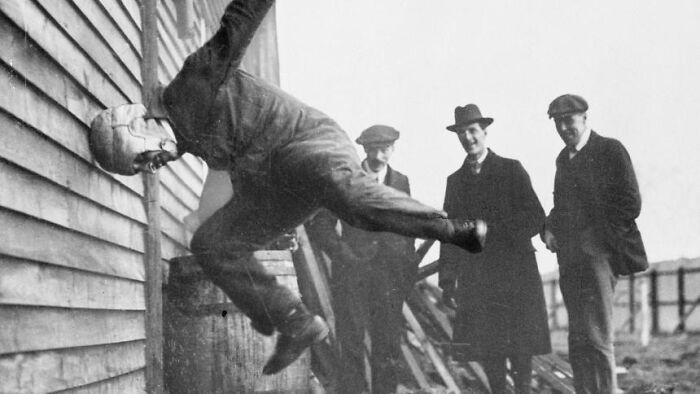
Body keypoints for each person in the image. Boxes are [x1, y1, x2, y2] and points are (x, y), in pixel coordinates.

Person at [88, 0, 487, 376]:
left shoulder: (193, 81)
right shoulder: (183, 135)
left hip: (307, 143)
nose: (150, 167)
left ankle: (451, 229)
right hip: (273, 180)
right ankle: (297, 323)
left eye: (141, 158)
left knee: (347, 198)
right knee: (212, 243)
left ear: (139, 127)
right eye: (140, 169)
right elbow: (225, 161)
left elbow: (238, 22)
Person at [438, 104, 551, 393]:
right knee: (489, 348)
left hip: (515, 272)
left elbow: (535, 218)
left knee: (520, 346)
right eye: (461, 133)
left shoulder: (511, 170)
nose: (468, 138)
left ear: (485, 132)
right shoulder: (455, 181)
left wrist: (491, 230)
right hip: (478, 277)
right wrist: (448, 281)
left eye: (472, 131)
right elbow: (449, 233)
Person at [541, 94, 647, 393]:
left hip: (599, 257)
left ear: (585, 118)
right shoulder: (563, 158)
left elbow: (630, 203)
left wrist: (597, 242)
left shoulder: (609, 150)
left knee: (598, 335)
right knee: (578, 337)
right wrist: (548, 228)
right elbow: (560, 206)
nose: (563, 128)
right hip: (569, 259)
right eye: (558, 123)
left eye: (569, 120)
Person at [307, 125, 419, 394]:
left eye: (385, 149)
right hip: (352, 275)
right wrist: (343, 254)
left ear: (393, 149)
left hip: (389, 276)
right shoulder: (345, 180)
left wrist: (405, 263)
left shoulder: (401, 181)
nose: (380, 156)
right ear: (364, 150)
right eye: (374, 149)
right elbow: (321, 224)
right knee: (352, 344)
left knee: (387, 346)